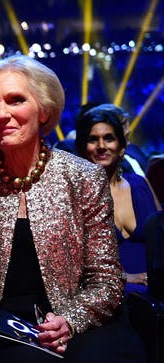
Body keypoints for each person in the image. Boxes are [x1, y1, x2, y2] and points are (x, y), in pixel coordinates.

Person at [0, 55, 149, 363]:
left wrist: (70, 320)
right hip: (5, 322)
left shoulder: (84, 177)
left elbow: (106, 279)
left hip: (87, 319)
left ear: (44, 110)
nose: (3, 114)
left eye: (16, 100)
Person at [75, 105, 161, 294]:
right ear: (82, 149)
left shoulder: (140, 184)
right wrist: (124, 277)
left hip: (154, 288)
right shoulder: (75, 196)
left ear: (121, 147)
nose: (101, 146)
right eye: (92, 140)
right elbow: (70, 259)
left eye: (109, 138)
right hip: (106, 292)